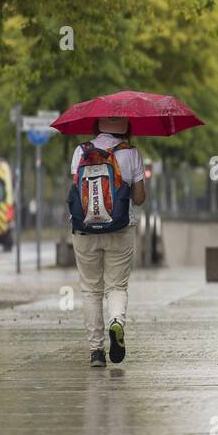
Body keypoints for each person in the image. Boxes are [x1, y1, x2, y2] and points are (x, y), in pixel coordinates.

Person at [68, 116, 146, 368]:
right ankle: (117, 322)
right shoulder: (131, 153)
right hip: (120, 229)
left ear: (97, 125)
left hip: (85, 230)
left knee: (91, 290)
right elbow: (139, 199)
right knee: (116, 286)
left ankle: (96, 352)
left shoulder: (81, 151)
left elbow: (76, 190)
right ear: (125, 128)